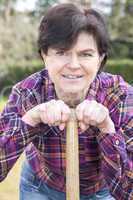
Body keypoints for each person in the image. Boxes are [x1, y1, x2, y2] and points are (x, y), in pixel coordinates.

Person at [0, 3, 132, 200]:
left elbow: (127, 190)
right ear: (44, 56)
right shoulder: (28, 92)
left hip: (102, 191)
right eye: (61, 52)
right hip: (40, 186)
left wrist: (107, 128)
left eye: (85, 54)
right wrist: (31, 119)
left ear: (100, 58)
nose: (73, 65)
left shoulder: (121, 96)